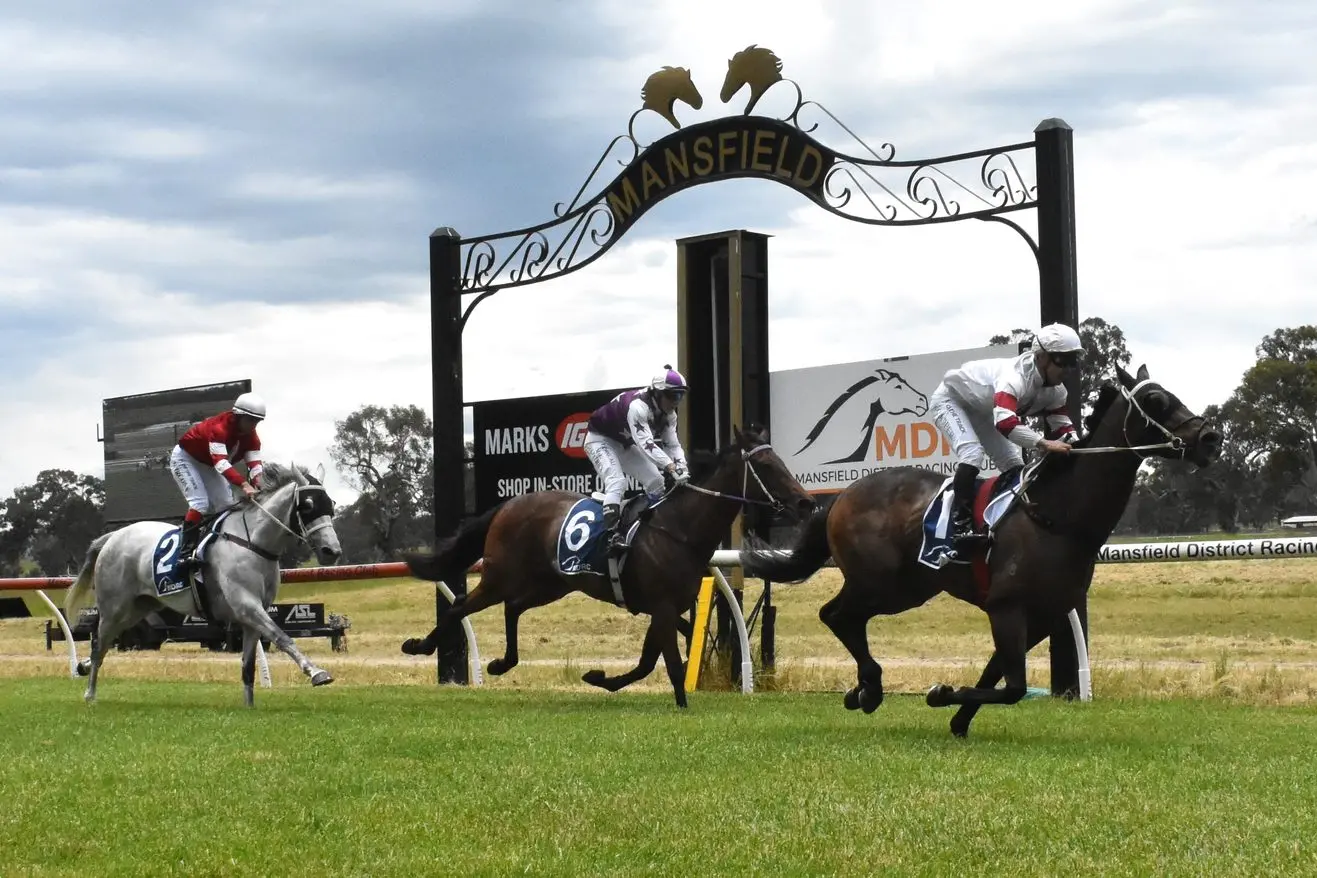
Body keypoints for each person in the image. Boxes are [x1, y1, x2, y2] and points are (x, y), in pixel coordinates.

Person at [928, 324, 1082, 551]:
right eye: (1062, 360)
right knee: (972, 454)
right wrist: (1043, 443)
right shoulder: (1014, 378)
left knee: (1015, 466)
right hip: (952, 401)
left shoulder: (1057, 392)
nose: (1068, 368)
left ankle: (1003, 525)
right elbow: (1005, 423)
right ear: (1041, 358)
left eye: (1073, 361)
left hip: (984, 410)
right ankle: (960, 527)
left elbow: (1065, 433)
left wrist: (1083, 448)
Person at [583, 365, 691, 553]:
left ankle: (652, 530)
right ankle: (611, 536)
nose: (676, 402)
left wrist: (683, 466)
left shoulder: (669, 415)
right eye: (673, 396)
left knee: (656, 481)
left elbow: (672, 444)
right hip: (599, 440)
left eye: (680, 396)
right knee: (617, 482)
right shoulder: (638, 407)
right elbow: (646, 444)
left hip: (623, 442)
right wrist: (672, 468)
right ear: (657, 393)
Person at [169, 392, 266, 573]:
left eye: (257, 421)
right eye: (250, 420)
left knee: (227, 506)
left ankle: (220, 548)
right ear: (238, 416)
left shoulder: (252, 437)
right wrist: (245, 485)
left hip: (207, 464)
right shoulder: (219, 428)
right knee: (200, 503)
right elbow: (221, 463)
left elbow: (255, 466)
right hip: (186, 459)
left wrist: (260, 483)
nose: (253, 425)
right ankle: (185, 555)